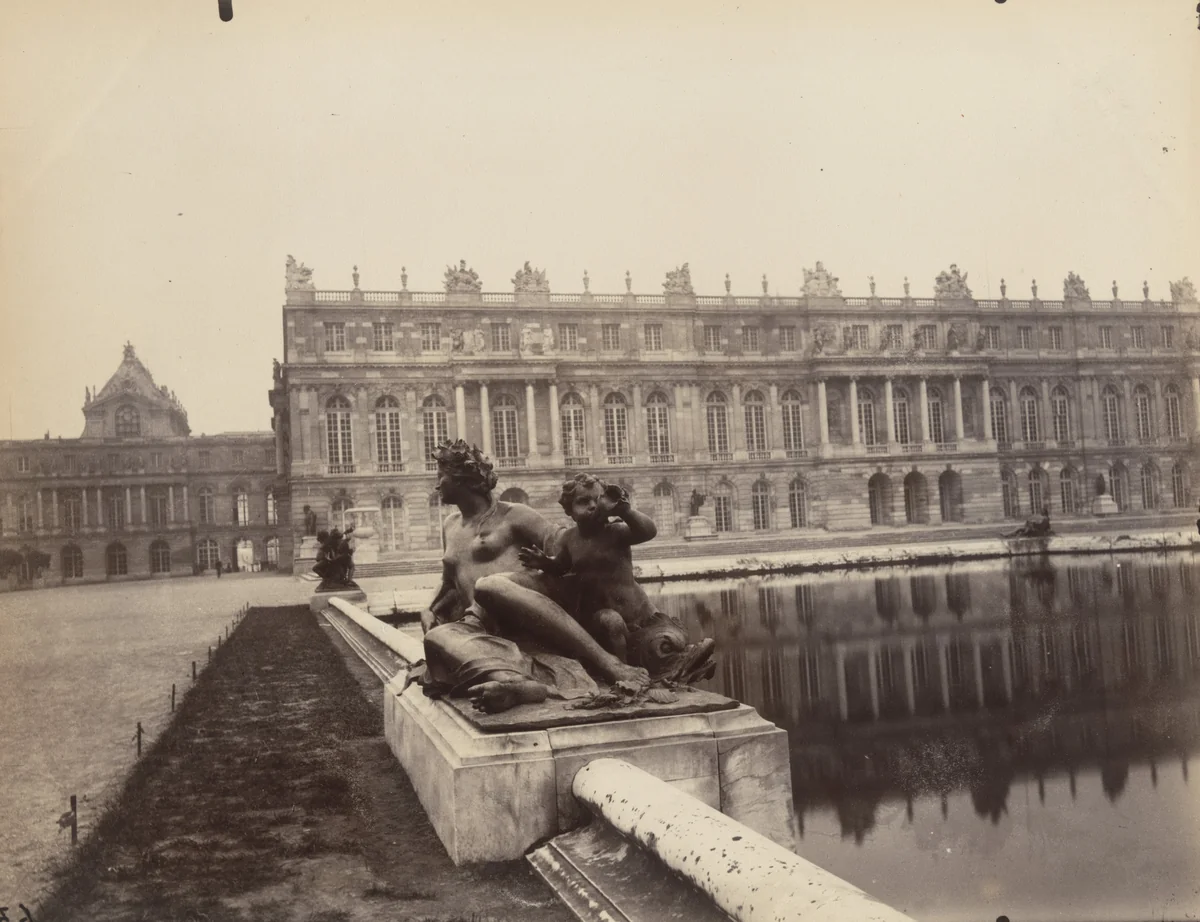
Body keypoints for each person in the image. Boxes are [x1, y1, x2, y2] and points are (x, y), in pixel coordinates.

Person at [419, 440, 651, 714]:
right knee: (436, 637)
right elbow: (450, 581)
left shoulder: (515, 514)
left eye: (441, 476)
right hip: (484, 622)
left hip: (527, 612)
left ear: (464, 477)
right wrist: (430, 608)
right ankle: (515, 683)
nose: (437, 484)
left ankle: (609, 664)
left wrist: (609, 549)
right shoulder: (450, 526)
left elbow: (565, 546)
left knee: (488, 585)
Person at [518, 474, 660, 663]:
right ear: (569, 510)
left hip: (637, 612)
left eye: (598, 499)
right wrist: (545, 563)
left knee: (662, 643)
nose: (593, 506)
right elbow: (562, 566)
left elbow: (648, 531)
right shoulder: (568, 539)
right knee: (611, 622)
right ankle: (623, 670)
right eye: (584, 501)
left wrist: (626, 512)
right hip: (602, 616)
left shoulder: (615, 532)